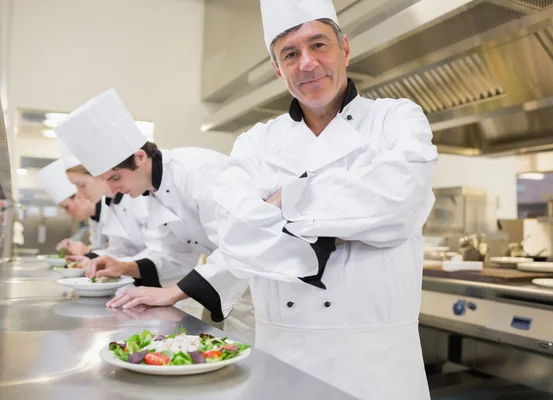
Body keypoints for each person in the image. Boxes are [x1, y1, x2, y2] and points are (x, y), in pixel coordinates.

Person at [106, 0, 438, 398]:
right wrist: (349, 219)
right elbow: (238, 234)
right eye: (291, 54)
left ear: (345, 48)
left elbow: (397, 205)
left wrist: (282, 202)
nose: (308, 63)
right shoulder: (256, 142)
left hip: (377, 361)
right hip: (284, 351)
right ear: (277, 69)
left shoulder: (397, 119)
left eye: (319, 45)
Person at [53, 89, 255, 343]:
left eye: (115, 178)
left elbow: (239, 245)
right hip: (237, 284)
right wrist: (123, 267)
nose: (114, 190)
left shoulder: (198, 172)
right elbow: (174, 256)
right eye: (107, 181)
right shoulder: (152, 192)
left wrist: (172, 293)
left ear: (139, 158)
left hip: (267, 282)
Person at [36, 160, 101, 255]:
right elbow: (102, 249)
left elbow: (122, 252)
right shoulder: (94, 219)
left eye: (66, 207)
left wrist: (87, 251)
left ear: (79, 197)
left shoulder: (109, 210)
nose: (67, 213)